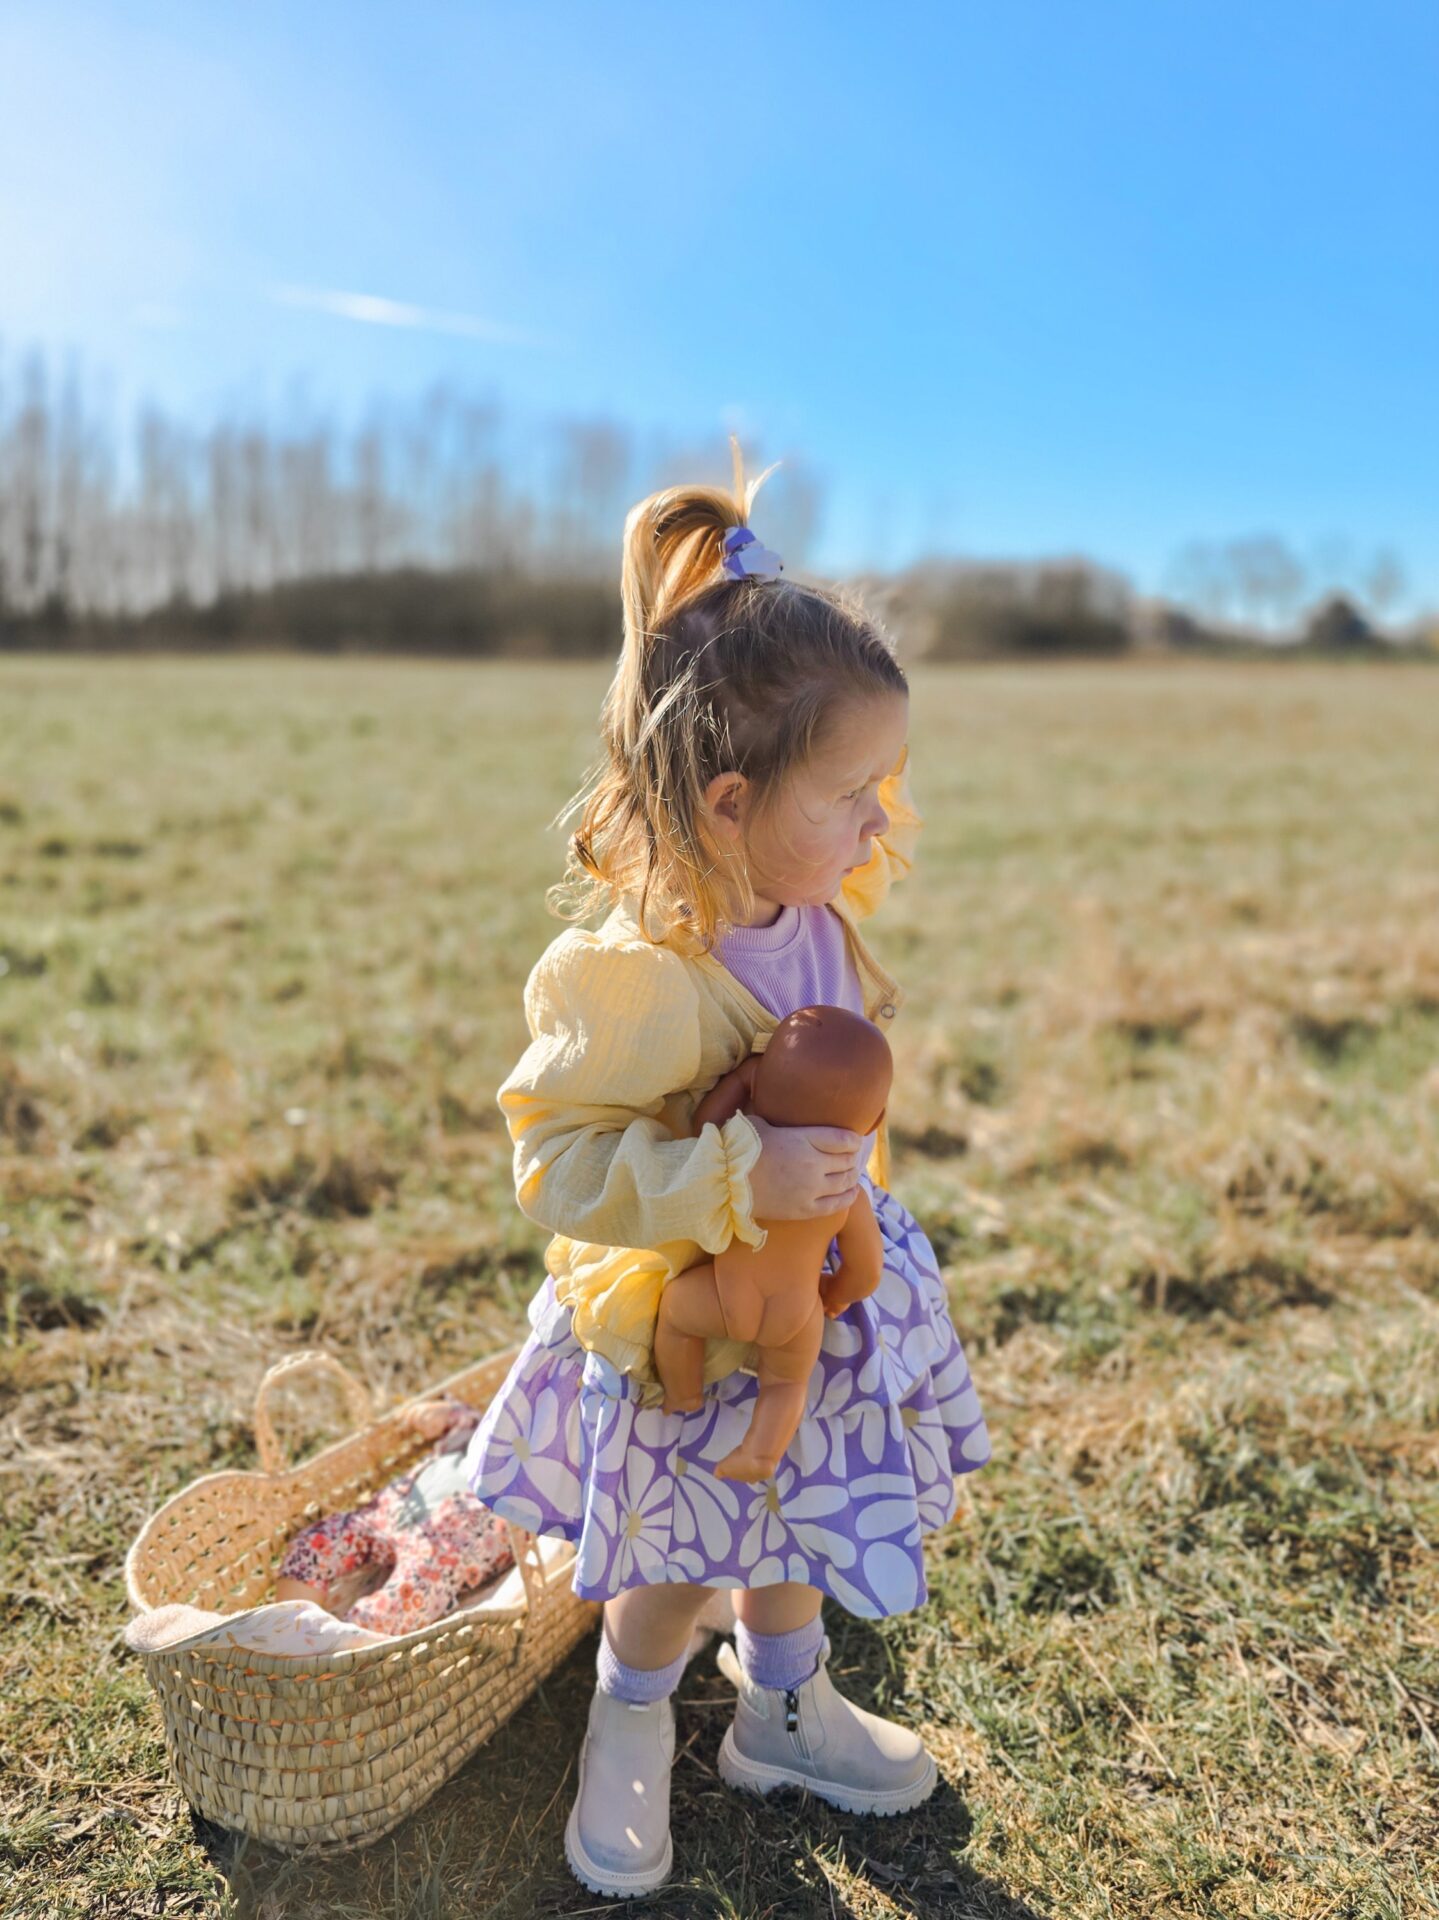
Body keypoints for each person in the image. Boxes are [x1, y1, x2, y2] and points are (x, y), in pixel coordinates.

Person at [466, 438, 992, 1898]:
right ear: (729, 807)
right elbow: (557, 1159)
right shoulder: (637, 973)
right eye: (856, 792)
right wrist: (734, 1185)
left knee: (803, 1503)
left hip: (818, 1290)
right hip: (681, 1300)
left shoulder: (812, 892)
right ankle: (630, 1716)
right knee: (686, 1530)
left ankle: (782, 1708)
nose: (883, 820)